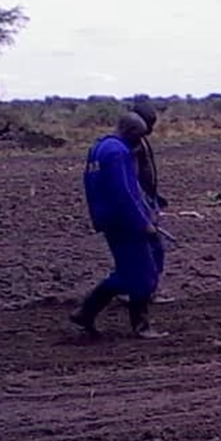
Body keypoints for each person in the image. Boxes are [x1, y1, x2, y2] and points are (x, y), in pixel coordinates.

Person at [70, 112, 167, 339]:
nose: (140, 143)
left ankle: (85, 313)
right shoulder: (118, 152)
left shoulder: (99, 148)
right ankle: (141, 326)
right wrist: (143, 222)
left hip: (110, 219)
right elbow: (124, 193)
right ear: (131, 132)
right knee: (144, 273)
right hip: (125, 221)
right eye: (139, 136)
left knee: (128, 272)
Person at [128, 100, 173, 304]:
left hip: (148, 199)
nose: (152, 128)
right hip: (141, 203)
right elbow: (132, 178)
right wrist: (145, 204)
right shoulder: (131, 144)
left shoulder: (140, 140)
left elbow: (147, 173)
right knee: (149, 248)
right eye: (149, 123)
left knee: (150, 248)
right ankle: (140, 291)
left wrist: (155, 195)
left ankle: (143, 290)